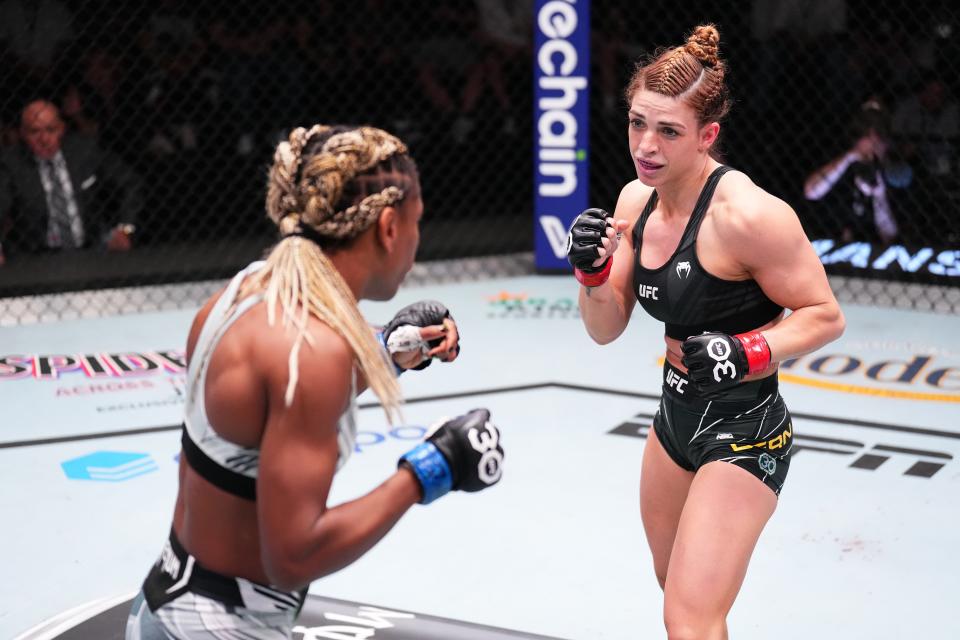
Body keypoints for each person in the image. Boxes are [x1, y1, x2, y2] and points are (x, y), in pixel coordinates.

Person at [124, 124, 505, 639]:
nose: (418, 240)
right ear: (389, 227)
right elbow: (293, 556)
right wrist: (431, 469)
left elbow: (274, 399)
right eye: (419, 223)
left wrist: (389, 352)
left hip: (167, 603)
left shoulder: (247, 290)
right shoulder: (313, 353)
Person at [566, 25, 845, 638]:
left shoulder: (748, 217)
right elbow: (605, 328)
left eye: (669, 131)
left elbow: (826, 314)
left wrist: (751, 350)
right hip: (674, 421)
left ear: (707, 135)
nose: (647, 145)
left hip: (746, 430)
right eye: (639, 123)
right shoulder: (634, 202)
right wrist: (591, 275)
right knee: (678, 593)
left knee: (690, 617)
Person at [0, 99, 143, 263]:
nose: (44, 139)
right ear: (23, 134)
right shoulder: (11, 164)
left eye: (50, 130)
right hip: (33, 255)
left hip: (93, 247)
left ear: (61, 128)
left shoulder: (85, 151)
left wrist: (125, 228)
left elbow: (130, 182)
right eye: (35, 132)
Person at [803, 98, 912, 244]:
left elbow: (889, 236)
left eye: (879, 135)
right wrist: (850, 156)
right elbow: (811, 192)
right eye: (865, 134)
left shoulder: (895, 174)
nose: (873, 142)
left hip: (873, 249)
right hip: (829, 243)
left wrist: (879, 196)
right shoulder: (840, 164)